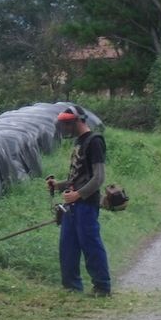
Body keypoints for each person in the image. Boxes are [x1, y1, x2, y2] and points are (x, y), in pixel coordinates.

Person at [45, 105, 112, 296]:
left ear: (79, 121)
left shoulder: (94, 141)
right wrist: (58, 185)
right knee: (68, 247)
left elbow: (98, 178)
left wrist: (78, 194)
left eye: (67, 124)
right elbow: (78, 178)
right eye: (63, 124)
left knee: (91, 245)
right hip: (71, 206)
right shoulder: (78, 143)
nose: (65, 128)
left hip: (86, 206)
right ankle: (71, 288)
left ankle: (102, 287)